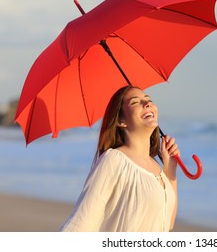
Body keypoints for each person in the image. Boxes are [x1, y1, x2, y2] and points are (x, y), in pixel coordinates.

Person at [60, 85, 179, 232]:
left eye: (148, 100)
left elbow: (167, 224)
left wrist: (170, 169)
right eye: (135, 102)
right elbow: (82, 220)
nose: (147, 104)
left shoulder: (157, 167)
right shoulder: (114, 160)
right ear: (121, 121)